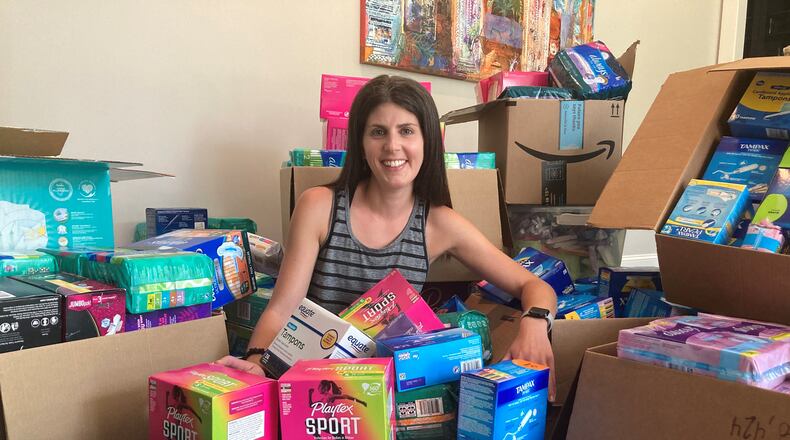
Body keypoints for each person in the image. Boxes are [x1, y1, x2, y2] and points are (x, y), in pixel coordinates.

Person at [219, 75, 558, 400]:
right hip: (313, 386)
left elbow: (535, 286)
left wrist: (535, 323)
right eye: (378, 132)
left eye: (407, 131)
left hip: (387, 393)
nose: (392, 146)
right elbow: (282, 309)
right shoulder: (319, 206)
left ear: (427, 139)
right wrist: (256, 361)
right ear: (360, 143)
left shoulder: (439, 224)